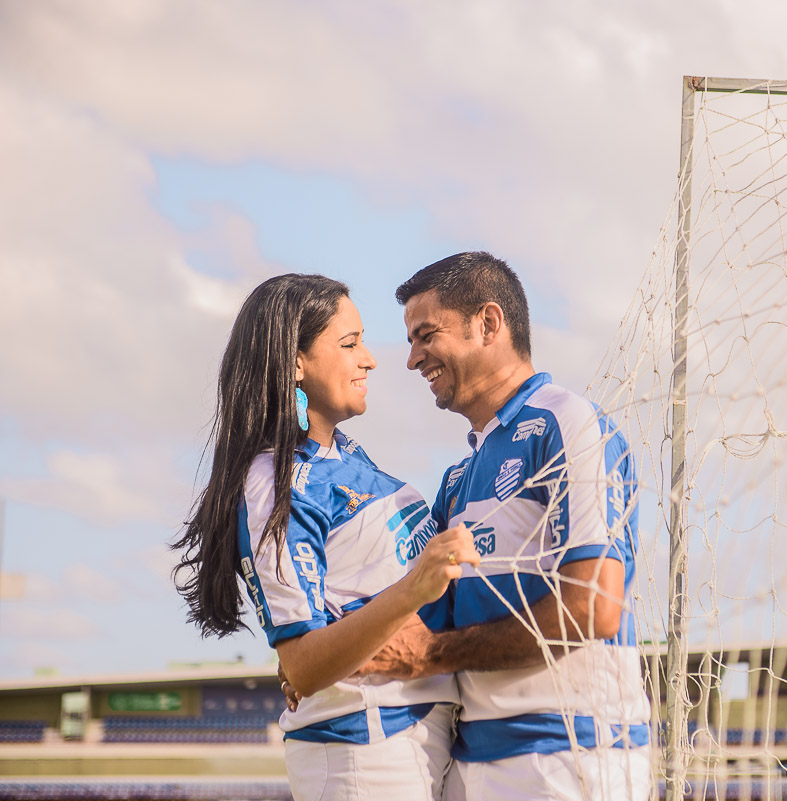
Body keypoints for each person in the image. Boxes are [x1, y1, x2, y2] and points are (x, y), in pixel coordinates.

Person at [172, 274, 480, 801]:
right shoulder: (274, 482)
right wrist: (413, 589)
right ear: (295, 362)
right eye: (349, 343)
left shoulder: (346, 455)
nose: (371, 359)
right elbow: (304, 665)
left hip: (421, 739)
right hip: (362, 755)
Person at [362, 252, 653, 800]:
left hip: (569, 755)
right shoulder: (458, 478)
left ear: (488, 323)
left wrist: (433, 654)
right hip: (474, 758)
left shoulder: (565, 423)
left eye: (426, 335)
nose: (411, 359)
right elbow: (423, 624)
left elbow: (593, 605)